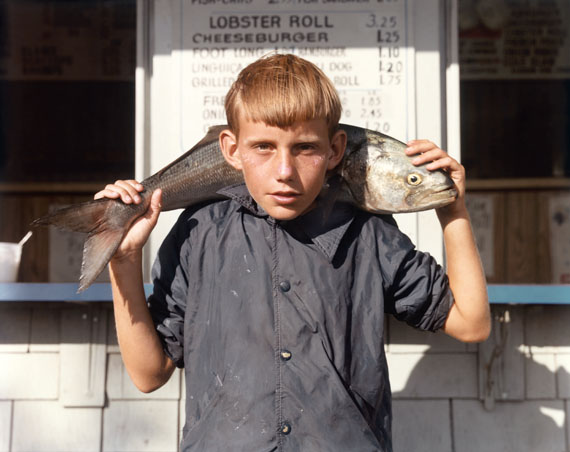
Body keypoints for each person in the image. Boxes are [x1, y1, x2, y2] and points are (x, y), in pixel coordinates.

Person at [96, 54, 490, 451]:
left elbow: (471, 323)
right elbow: (149, 374)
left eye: (304, 148)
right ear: (232, 150)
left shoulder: (369, 234)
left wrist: (451, 208)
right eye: (264, 147)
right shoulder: (199, 233)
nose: (284, 170)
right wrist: (123, 262)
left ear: (336, 150)